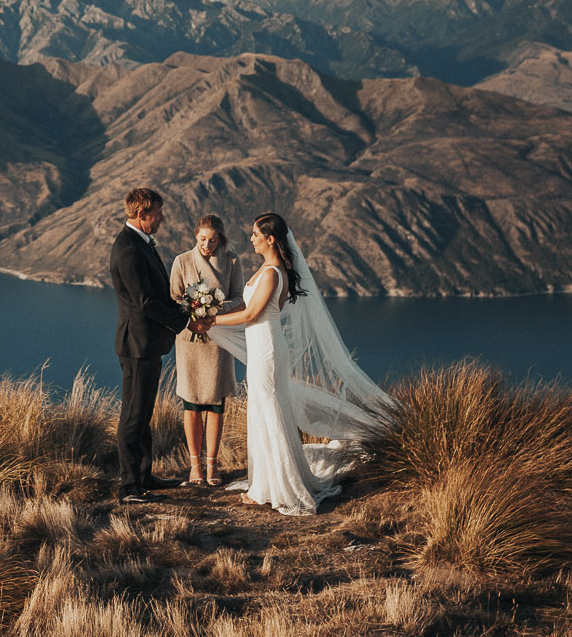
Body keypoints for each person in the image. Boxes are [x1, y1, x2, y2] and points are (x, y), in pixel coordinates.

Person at [208, 211, 393, 515]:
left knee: (269, 412)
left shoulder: (271, 273)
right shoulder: (270, 269)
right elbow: (257, 309)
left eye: (256, 234)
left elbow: (252, 315)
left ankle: (277, 486)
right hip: (264, 344)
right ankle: (265, 483)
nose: (251, 238)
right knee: (265, 411)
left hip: (266, 346)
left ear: (270, 238)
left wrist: (211, 320)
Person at [107, 186, 191, 503]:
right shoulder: (128, 248)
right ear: (142, 215)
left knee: (143, 414)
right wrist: (185, 321)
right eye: (158, 213)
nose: (162, 219)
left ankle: (144, 476)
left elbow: (156, 296)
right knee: (132, 415)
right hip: (137, 345)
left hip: (148, 344)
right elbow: (145, 301)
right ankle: (128, 487)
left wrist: (181, 311)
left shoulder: (140, 243)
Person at [169, 214, 243, 486]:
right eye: (202, 239)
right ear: (195, 236)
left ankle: (212, 466)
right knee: (191, 404)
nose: (207, 245)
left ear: (220, 240)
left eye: (213, 240)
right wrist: (192, 310)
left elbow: (239, 299)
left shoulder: (233, 261)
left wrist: (213, 308)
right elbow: (174, 298)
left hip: (218, 339)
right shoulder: (182, 261)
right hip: (189, 340)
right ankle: (194, 468)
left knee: (215, 405)